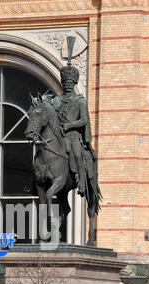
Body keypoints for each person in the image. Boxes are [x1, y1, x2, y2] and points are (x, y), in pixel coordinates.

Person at [52, 58, 94, 196]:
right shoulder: (57, 100)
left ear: (74, 83)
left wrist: (69, 125)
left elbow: (83, 120)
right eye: (66, 83)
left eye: (70, 83)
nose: (68, 85)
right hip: (60, 135)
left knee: (76, 155)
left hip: (74, 136)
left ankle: (81, 182)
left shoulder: (80, 101)